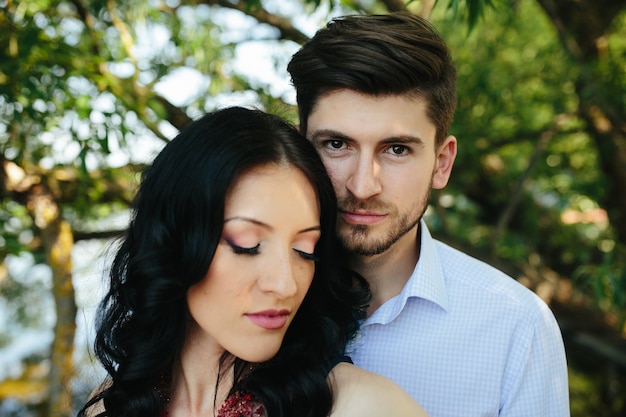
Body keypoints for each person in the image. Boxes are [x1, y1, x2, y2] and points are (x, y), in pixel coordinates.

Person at [287, 12, 570, 417]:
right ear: (300, 151)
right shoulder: (244, 297)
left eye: (397, 149)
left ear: (441, 163)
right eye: (336, 144)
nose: (363, 185)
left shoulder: (515, 327)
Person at [77, 106, 428, 417]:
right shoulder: (112, 405)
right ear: (174, 243)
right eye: (247, 245)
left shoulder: (363, 406)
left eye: (306, 250)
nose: (285, 284)